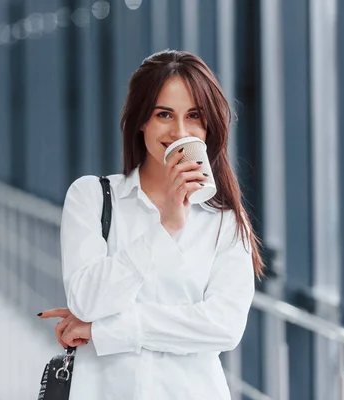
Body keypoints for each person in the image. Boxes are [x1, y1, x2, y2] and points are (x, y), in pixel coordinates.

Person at [39, 50, 264, 400]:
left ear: (208, 127)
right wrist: (166, 227)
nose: (179, 131)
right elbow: (85, 301)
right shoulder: (93, 197)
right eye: (164, 114)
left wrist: (105, 329)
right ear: (141, 120)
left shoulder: (225, 221)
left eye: (194, 116)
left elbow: (223, 327)